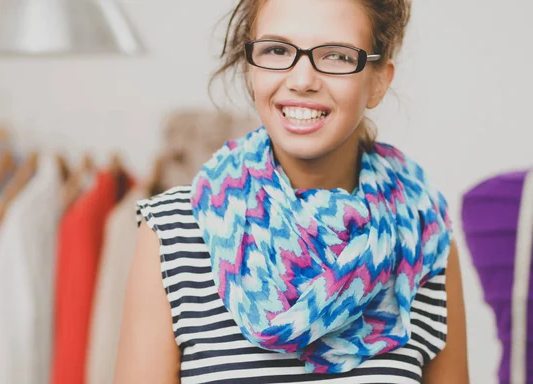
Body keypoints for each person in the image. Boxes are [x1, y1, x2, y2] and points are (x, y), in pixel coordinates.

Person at [114, 0, 470, 382]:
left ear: (379, 80)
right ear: (251, 69)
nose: (302, 80)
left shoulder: (423, 237)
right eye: (277, 50)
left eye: (336, 55)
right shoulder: (172, 234)